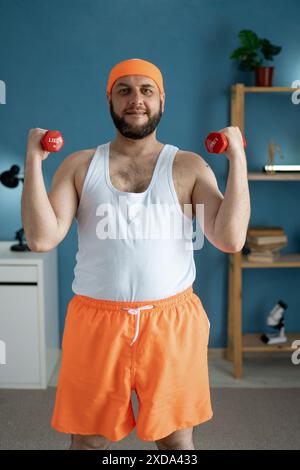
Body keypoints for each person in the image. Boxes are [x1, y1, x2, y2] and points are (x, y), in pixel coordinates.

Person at [21, 58, 250, 450]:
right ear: (109, 99)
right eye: (124, 90)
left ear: (162, 100)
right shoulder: (79, 165)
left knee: (176, 444)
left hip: (171, 322)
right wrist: (34, 162)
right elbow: (42, 239)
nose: (136, 100)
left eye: (146, 90)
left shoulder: (188, 167)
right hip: (96, 323)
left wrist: (238, 160)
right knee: (88, 443)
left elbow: (230, 239)